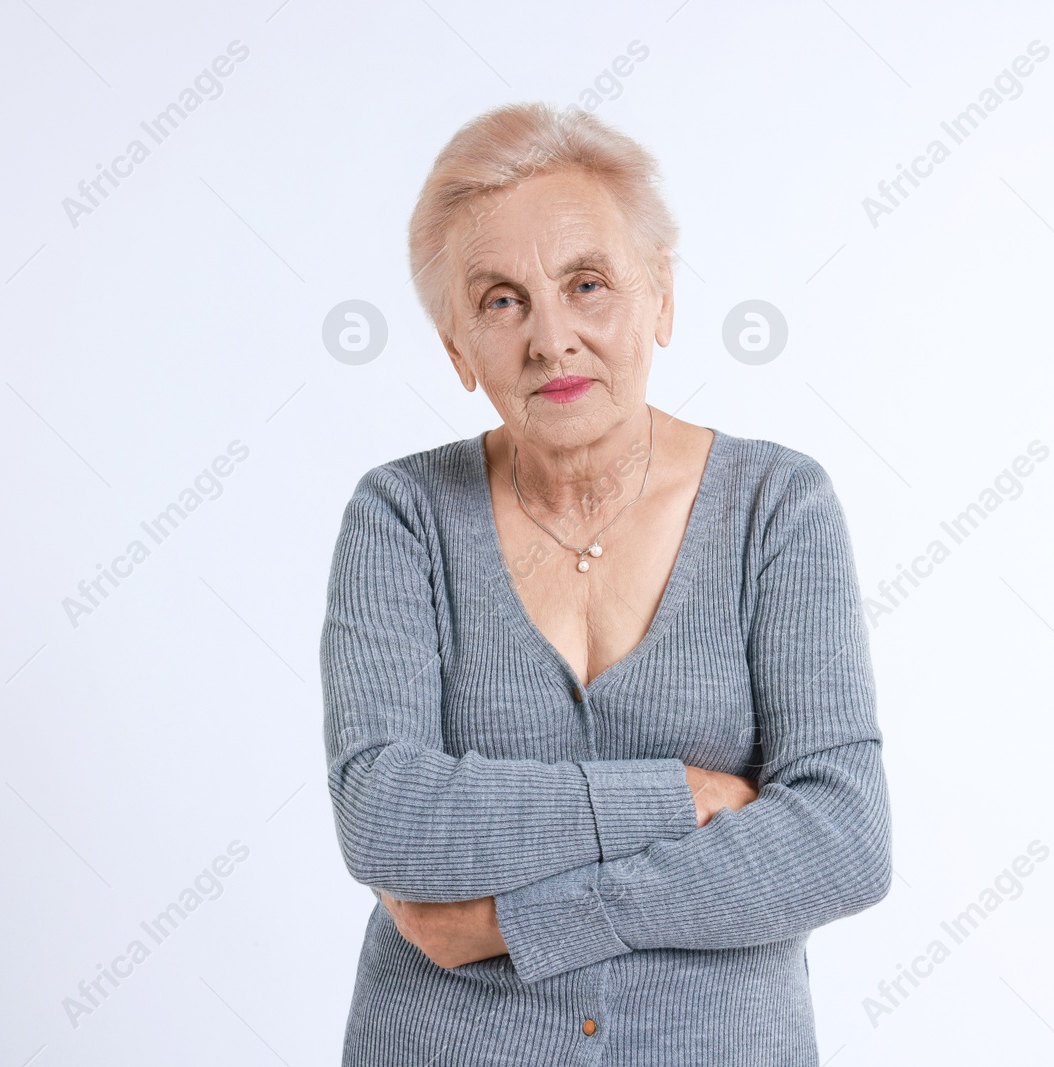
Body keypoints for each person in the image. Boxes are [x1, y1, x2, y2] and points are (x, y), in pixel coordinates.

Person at [321, 100, 891, 1066]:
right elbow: (386, 815)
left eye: (588, 284)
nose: (551, 338)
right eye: (501, 301)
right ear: (458, 347)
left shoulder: (776, 507)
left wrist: (518, 920)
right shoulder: (402, 516)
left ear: (662, 297)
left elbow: (841, 838)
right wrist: (685, 797)